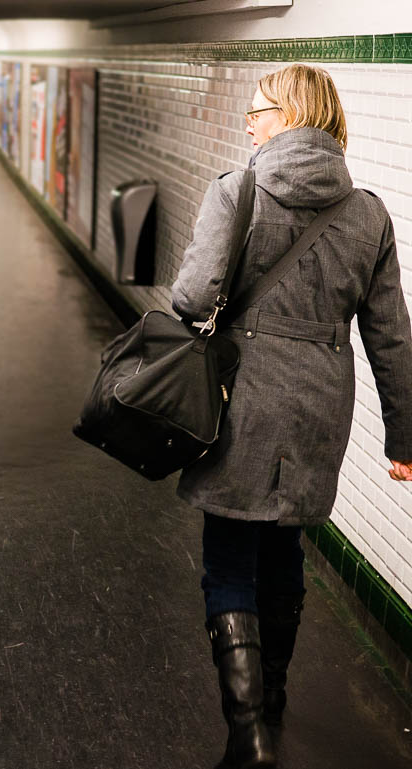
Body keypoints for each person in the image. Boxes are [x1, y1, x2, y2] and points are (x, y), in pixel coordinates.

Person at [171, 63, 412, 769]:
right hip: (317, 409)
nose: (249, 123)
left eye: (258, 111)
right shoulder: (368, 213)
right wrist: (404, 434)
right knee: (285, 552)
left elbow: (190, 297)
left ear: (291, 115)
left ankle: (248, 733)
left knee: (229, 558)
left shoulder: (236, 190)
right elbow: (391, 335)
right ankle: (270, 704)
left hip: (240, 400)